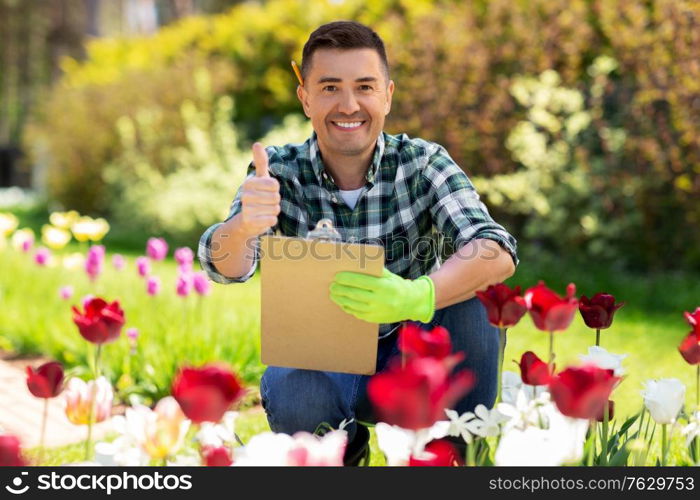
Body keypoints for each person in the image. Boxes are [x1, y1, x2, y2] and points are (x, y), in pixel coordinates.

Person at [198, 20, 518, 465]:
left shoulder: (423, 163)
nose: (349, 105)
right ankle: (342, 457)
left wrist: (417, 295)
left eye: (364, 87)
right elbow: (224, 266)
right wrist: (244, 228)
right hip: (324, 367)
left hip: (417, 365)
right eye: (329, 87)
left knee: (475, 301)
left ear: (387, 94)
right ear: (305, 98)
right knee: (296, 385)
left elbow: (495, 249)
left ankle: (455, 460)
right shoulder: (278, 172)